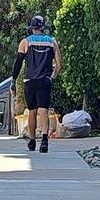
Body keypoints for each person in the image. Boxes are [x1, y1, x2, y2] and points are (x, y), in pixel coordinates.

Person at [12, 14, 62, 154]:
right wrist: (52, 77)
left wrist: (13, 80)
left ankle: (32, 140)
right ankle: (45, 140)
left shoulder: (25, 42)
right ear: (43, 28)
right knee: (44, 110)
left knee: (32, 111)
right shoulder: (52, 42)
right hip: (45, 80)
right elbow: (59, 64)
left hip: (30, 81)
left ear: (32, 28)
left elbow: (18, 63)